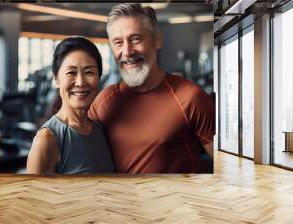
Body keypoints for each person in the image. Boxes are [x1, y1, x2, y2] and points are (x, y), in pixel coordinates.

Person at [89, 3, 215, 173]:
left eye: (135, 39)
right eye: (118, 43)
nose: (127, 51)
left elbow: (228, 166)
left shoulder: (191, 97)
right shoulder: (105, 100)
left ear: (157, 40)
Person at [27, 36, 115, 174]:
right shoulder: (46, 139)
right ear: (56, 79)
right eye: (71, 72)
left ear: (99, 79)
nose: (80, 82)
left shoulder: (100, 130)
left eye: (89, 72)